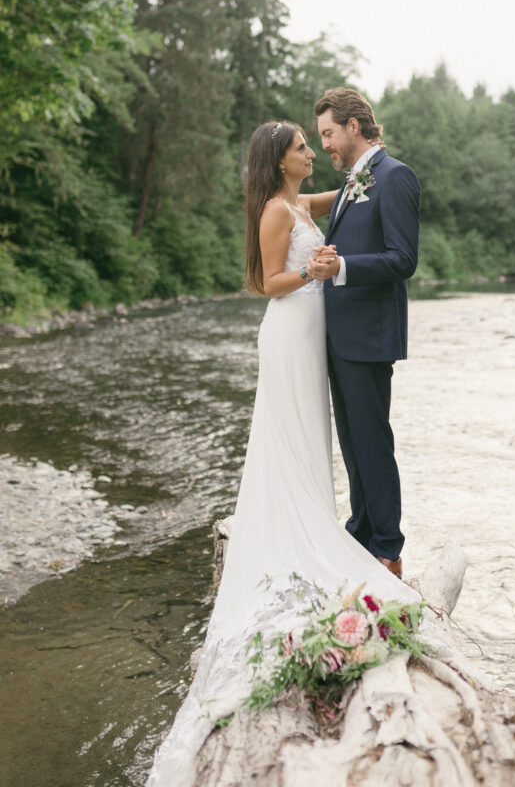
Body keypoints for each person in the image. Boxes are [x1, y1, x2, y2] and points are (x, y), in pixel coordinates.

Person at [146, 119, 417, 787]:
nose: (310, 151)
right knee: (290, 430)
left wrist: (363, 172)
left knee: (310, 436)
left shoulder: (305, 201)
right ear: (279, 159)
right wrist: (314, 269)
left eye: (316, 140)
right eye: (302, 145)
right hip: (291, 326)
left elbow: (353, 192)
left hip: (317, 330)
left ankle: (328, 527)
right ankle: (300, 536)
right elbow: (265, 283)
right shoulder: (275, 209)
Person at [312, 89, 421, 580]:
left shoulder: (395, 177)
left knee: (373, 442)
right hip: (340, 336)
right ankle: (359, 533)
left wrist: (342, 267)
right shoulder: (353, 182)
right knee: (353, 444)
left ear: (354, 127)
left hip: (370, 335)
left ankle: (388, 551)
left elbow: (403, 260)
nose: (327, 145)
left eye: (329, 134)